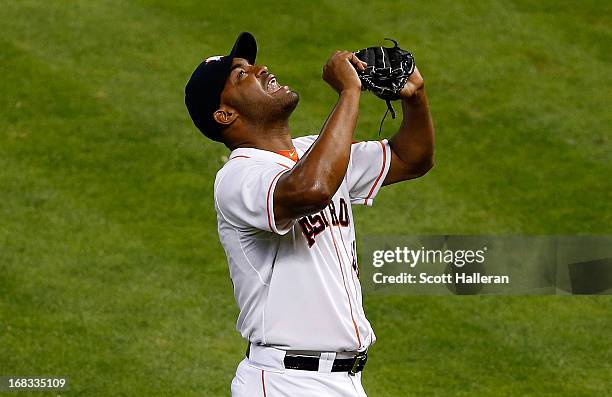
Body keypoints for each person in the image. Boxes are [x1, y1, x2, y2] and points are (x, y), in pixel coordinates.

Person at [185, 32, 434, 397]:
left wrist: (416, 97)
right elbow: (311, 189)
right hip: (287, 381)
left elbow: (412, 158)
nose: (260, 69)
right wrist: (349, 93)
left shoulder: (316, 154)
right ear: (225, 114)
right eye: (241, 75)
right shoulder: (238, 178)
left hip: (340, 381)